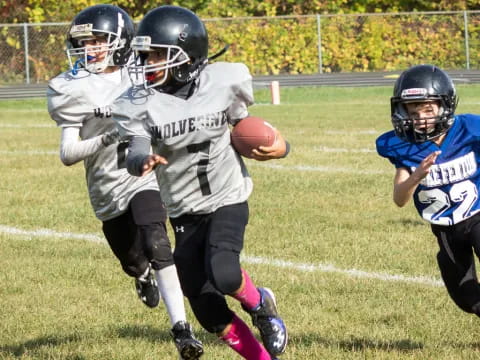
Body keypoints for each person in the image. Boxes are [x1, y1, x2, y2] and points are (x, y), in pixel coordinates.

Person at [112, 5, 289, 360]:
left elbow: (247, 128)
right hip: (182, 208)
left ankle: (260, 305)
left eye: (157, 55)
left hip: (226, 196)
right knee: (205, 306)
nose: (148, 64)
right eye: (145, 56)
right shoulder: (139, 103)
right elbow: (136, 150)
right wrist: (140, 160)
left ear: (187, 57)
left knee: (224, 272)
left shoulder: (223, 81)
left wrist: (279, 146)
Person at [46, 5, 204, 359]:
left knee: (158, 242)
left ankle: (182, 329)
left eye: (99, 40)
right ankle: (141, 274)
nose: (91, 49)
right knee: (134, 258)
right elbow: (68, 153)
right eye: (86, 42)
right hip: (106, 187)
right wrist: (105, 136)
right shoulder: (71, 87)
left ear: (120, 41)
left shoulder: (143, 68)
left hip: (144, 175)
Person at [376, 64, 480, 318]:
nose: (421, 118)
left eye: (428, 110)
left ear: (444, 105)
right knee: (468, 299)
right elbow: (399, 199)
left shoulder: (469, 129)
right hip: (445, 230)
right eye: (414, 111)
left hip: (477, 214)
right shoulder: (403, 146)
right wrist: (416, 177)